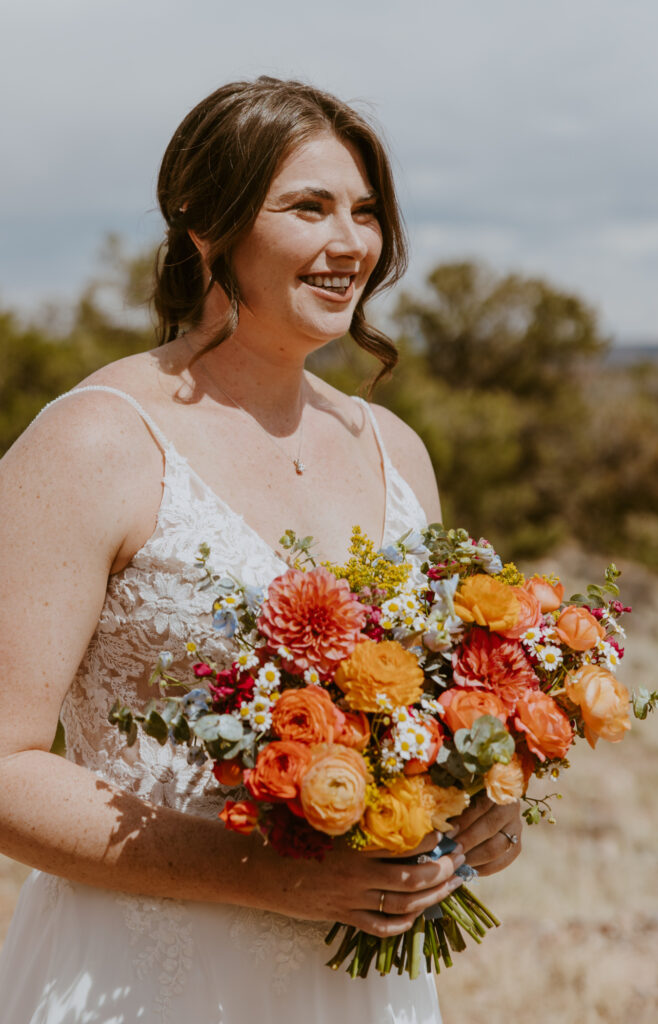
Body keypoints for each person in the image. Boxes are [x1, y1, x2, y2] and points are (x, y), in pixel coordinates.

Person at [0, 77, 521, 1023]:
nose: (351, 242)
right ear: (205, 220)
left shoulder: (394, 449)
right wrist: (273, 878)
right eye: (308, 207)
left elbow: (431, 709)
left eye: (365, 211)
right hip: (143, 978)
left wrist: (478, 797)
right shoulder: (93, 442)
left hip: (366, 981)